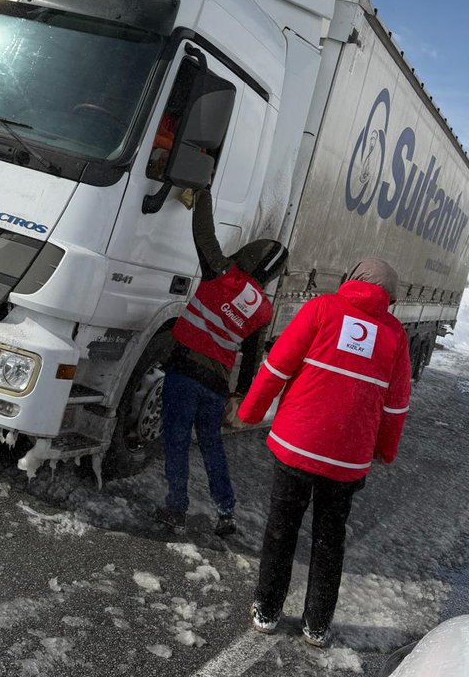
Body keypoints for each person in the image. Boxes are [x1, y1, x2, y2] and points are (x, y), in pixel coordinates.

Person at [238, 258, 411, 647]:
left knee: (282, 528)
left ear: (352, 280)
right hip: (347, 460)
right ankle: (317, 624)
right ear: (390, 296)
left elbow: (278, 366)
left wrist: (250, 412)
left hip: (297, 446)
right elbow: (396, 403)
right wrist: (385, 449)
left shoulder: (321, 309)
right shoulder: (395, 334)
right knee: (330, 538)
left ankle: (267, 610)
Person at [155, 188, 288, 537]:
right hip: (215, 386)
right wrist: (238, 395)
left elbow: (203, 234)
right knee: (212, 445)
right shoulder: (263, 309)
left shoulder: (222, 272)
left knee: (178, 440)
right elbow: (251, 358)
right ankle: (226, 513)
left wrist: (204, 192)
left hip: (184, 372)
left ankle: (176, 508)